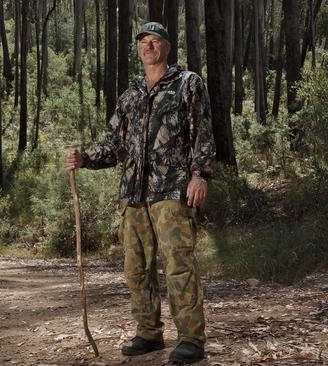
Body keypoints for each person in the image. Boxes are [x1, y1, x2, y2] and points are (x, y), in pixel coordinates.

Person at [66, 22, 215, 365]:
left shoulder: (187, 84)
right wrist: (84, 158)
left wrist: (199, 175)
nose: (148, 46)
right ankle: (149, 333)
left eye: (155, 41)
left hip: (173, 189)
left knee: (178, 264)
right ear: (138, 49)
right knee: (136, 268)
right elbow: (113, 144)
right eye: (143, 42)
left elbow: (203, 133)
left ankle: (191, 338)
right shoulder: (130, 95)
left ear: (167, 47)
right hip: (133, 193)